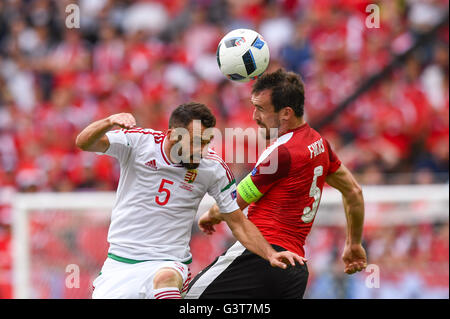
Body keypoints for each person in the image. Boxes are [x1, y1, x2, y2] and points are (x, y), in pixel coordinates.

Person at [75, 102, 305, 299]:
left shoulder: (213, 168)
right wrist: (108, 121)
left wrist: (270, 253)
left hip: (169, 262)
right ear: (172, 135)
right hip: (121, 264)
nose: (201, 150)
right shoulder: (138, 143)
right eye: (195, 141)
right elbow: (84, 142)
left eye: (206, 142)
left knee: (165, 279)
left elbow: (238, 222)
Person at [186, 70, 367, 299]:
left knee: (188, 299)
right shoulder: (320, 144)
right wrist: (353, 244)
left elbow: (234, 203)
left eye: (261, 109)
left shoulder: (281, 153)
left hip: (260, 256)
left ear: (286, 113)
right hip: (295, 270)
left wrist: (211, 214)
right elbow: (353, 191)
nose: (254, 116)